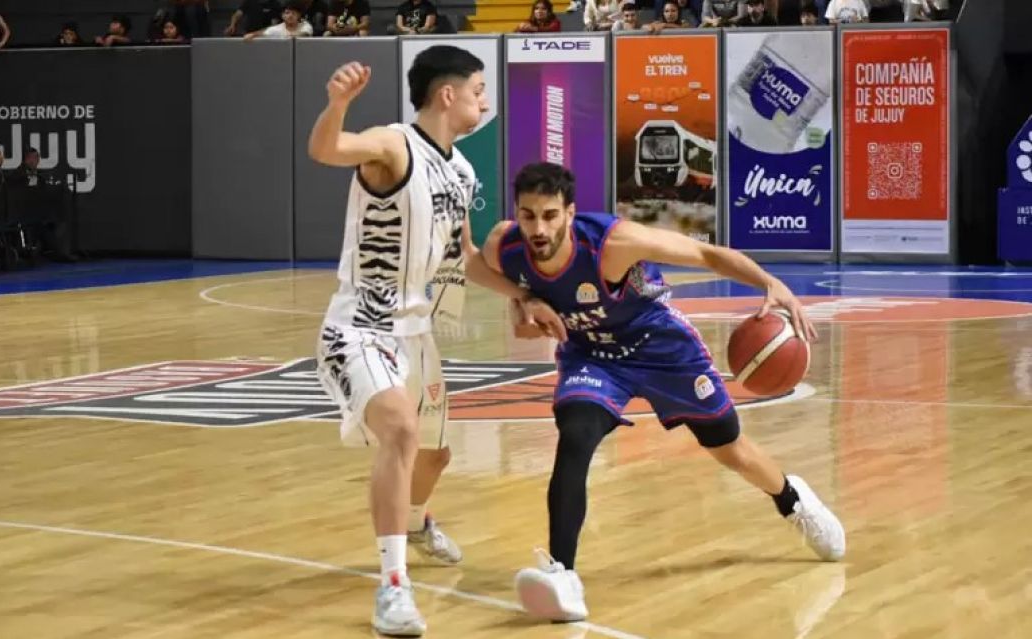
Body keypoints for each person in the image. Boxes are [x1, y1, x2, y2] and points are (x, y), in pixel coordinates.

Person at [476, 162, 845, 623]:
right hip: (591, 354)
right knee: (575, 435)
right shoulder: (504, 244)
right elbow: (473, 265)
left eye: (550, 215)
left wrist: (770, 282)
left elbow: (703, 253)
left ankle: (793, 500)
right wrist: (523, 298)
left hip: (658, 344)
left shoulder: (614, 243)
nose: (538, 227)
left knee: (728, 447)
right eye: (528, 215)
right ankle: (562, 574)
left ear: (570, 213)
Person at [307, 50, 565, 636]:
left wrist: (521, 295)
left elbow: (466, 259)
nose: (486, 100)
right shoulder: (392, 145)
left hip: (415, 331)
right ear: (446, 95)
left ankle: (417, 523)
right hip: (361, 324)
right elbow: (326, 150)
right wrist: (338, 104)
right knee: (399, 430)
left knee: (436, 455)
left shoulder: (461, 172)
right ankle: (393, 587)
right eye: (478, 88)